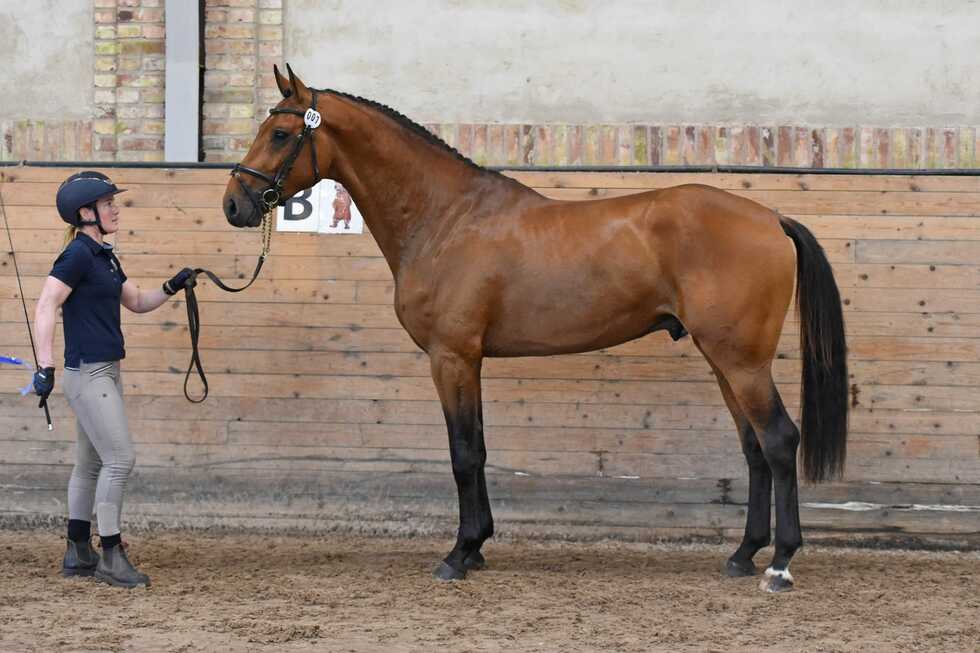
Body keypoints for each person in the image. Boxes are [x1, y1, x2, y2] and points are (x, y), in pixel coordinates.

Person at [32, 171, 194, 588]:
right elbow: (46, 304)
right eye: (108, 204)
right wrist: (44, 365)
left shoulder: (103, 255)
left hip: (106, 371)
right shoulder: (77, 255)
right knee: (120, 460)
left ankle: (77, 550)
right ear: (86, 213)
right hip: (89, 373)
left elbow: (136, 301)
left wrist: (172, 286)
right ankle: (110, 555)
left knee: (90, 464)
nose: (115, 209)